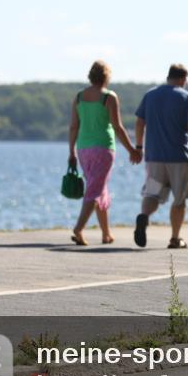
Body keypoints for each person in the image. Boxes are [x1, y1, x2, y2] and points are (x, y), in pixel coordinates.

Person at [68, 60, 141, 246]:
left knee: (99, 187)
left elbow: (74, 126)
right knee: (95, 189)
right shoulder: (109, 97)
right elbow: (118, 127)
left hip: (83, 149)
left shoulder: (79, 97)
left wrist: (71, 152)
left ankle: (106, 233)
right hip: (103, 148)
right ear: (106, 77)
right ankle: (78, 229)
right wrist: (132, 150)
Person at [133, 64, 188, 249]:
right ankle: (174, 238)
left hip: (154, 157)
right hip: (179, 157)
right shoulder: (186, 97)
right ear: (183, 79)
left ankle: (144, 216)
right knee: (179, 200)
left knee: (152, 194)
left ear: (168, 77)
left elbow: (139, 122)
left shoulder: (150, 95)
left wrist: (139, 147)